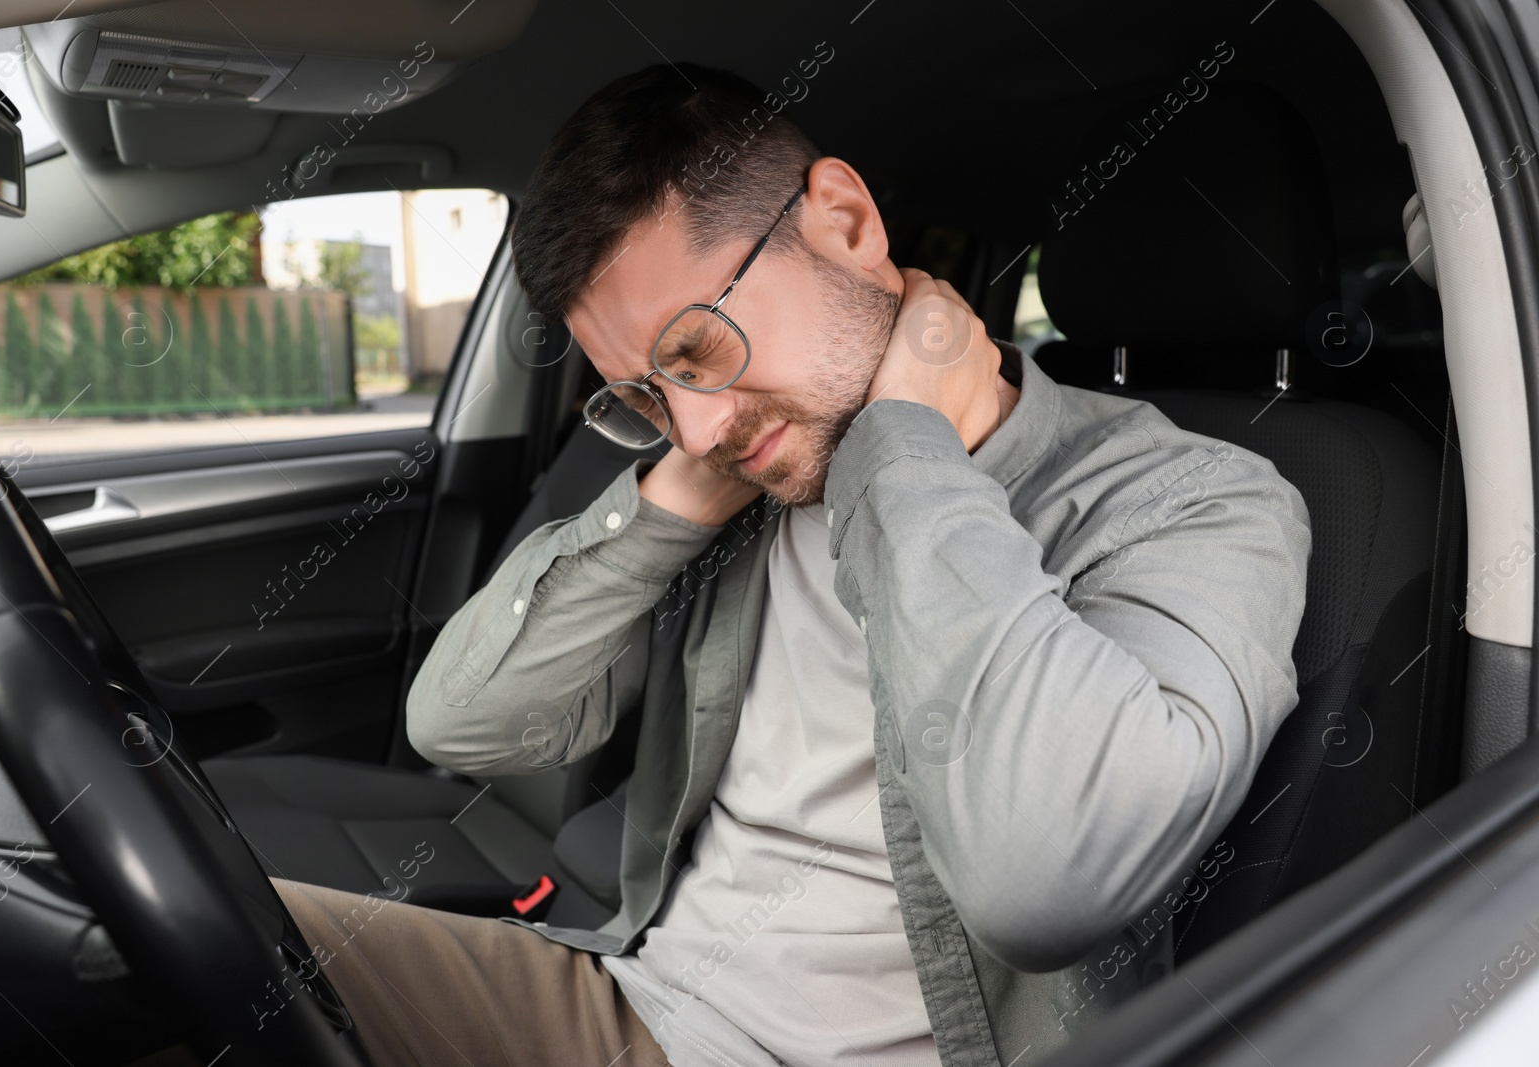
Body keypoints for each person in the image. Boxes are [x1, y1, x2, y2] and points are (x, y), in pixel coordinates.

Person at [271, 62, 1311, 1067]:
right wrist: (676, 494)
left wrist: (905, 443)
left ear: (846, 224)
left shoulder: (1191, 501)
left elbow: (1045, 882)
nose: (695, 422)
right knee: (188, 939)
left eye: (697, 349)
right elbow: (463, 723)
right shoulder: (736, 475)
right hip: (628, 995)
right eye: (646, 393)